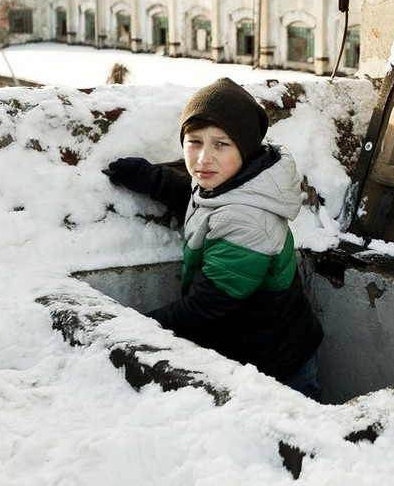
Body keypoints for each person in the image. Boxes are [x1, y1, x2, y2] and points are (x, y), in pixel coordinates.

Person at [104, 77, 323, 400]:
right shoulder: (230, 181)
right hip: (250, 347)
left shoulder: (249, 218)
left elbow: (205, 309)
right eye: (194, 142)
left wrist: (134, 327)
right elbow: (197, 198)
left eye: (221, 144)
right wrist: (152, 180)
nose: (204, 158)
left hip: (278, 368)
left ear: (245, 148)